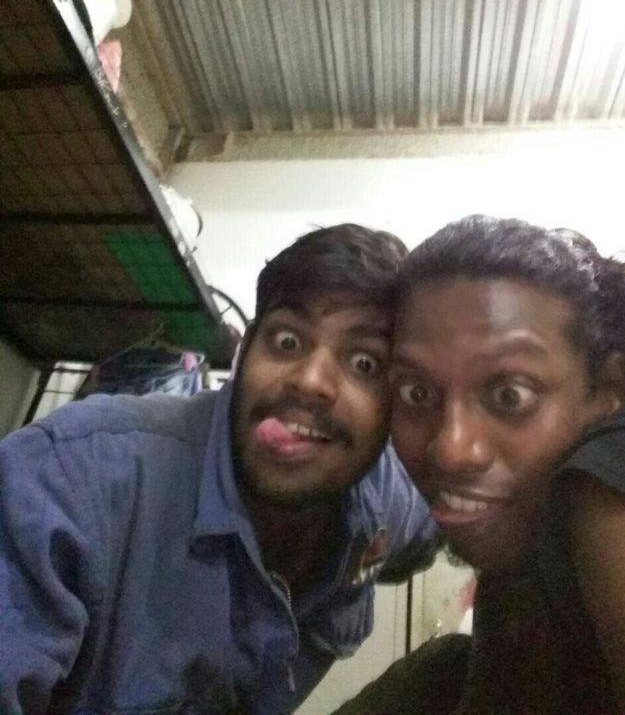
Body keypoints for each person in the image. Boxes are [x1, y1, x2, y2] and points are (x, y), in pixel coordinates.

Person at [0, 223, 439, 715]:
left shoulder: (387, 497)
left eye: (364, 363)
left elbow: (447, 529)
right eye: (287, 341)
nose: (309, 380)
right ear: (245, 350)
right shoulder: (70, 479)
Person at [336, 215, 625, 715]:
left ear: (609, 393)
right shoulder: (516, 569)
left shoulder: (613, 471)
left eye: (510, 395)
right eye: (417, 392)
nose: (451, 450)